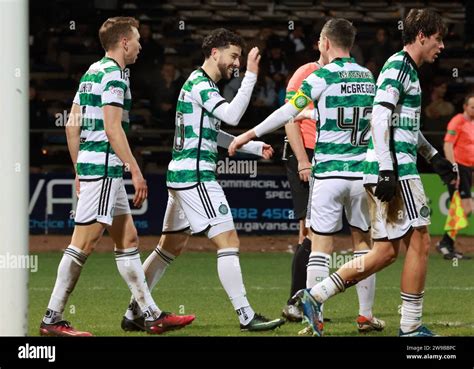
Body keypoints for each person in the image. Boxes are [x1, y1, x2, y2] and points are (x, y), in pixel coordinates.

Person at [291, 9, 456, 337]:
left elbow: (397, 122)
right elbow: (379, 118)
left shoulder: (403, 68)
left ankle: (314, 295)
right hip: (396, 169)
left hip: (388, 166)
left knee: (384, 252)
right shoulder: (399, 67)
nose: (441, 47)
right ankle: (410, 326)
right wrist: (386, 169)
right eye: (438, 40)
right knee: (420, 243)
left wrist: (433, 155)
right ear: (421, 36)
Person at [120, 28, 285, 332]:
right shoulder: (202, 84)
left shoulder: (199, 84)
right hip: (196, 177)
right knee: (229, 241)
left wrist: (249, 146)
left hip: (181, 175)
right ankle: (246, 315)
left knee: (168, 248)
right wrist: (250, 75)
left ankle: (135, 312)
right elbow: (234, 116)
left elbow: (213, 132)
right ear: (214, 52)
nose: (236, 62)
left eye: (239, 57)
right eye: (233, 55)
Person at [39, 17, 195, 337]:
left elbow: (72, 124)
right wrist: (135, 171)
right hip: (106, 169)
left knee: (129, 241)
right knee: (82, 244)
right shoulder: (114, 75)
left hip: (94, 167)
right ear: (124, 42)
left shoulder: (92, 72)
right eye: (137, 40)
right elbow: (113, 129)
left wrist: (78, 169)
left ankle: (150, 315)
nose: (140, 45)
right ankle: (52, 318)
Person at [229, 18, 386, 334]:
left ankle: (314, 319)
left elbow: (288, 111)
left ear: (325, 43)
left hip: (327, 174)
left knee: (320, 245)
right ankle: (365, 316)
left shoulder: (321, 75)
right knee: (363, 245)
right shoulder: (369, 77)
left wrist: (248, 134)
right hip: (360, 175)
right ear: (350, 43)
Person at [437, 93, 474, 259]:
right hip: (458, 169)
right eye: (472, 106)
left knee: (461, 209)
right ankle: (445, 243)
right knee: (464, 208)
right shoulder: (458, 120)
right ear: (465, 107)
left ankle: (447, 244)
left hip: (468, 170)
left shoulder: (472, 123)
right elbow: (448, 145)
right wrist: (454, 169)